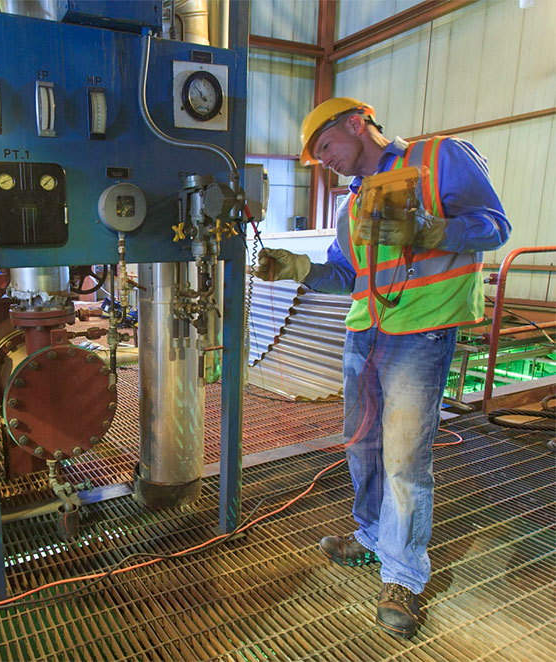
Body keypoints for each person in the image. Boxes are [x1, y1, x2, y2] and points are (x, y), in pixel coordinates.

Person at [255, 98, 510, 638]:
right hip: (365, 334)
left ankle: (404, 577)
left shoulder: (439, 159)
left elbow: (494, 226)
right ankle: (371, 536)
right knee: (362, 444)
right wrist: (297, 268)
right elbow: (345, 275)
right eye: (317, 157)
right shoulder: (352, 209)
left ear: (355, 124)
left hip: (420, 334)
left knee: (403, 457)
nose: (324, 161)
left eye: (326, 148)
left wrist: (434, 231)